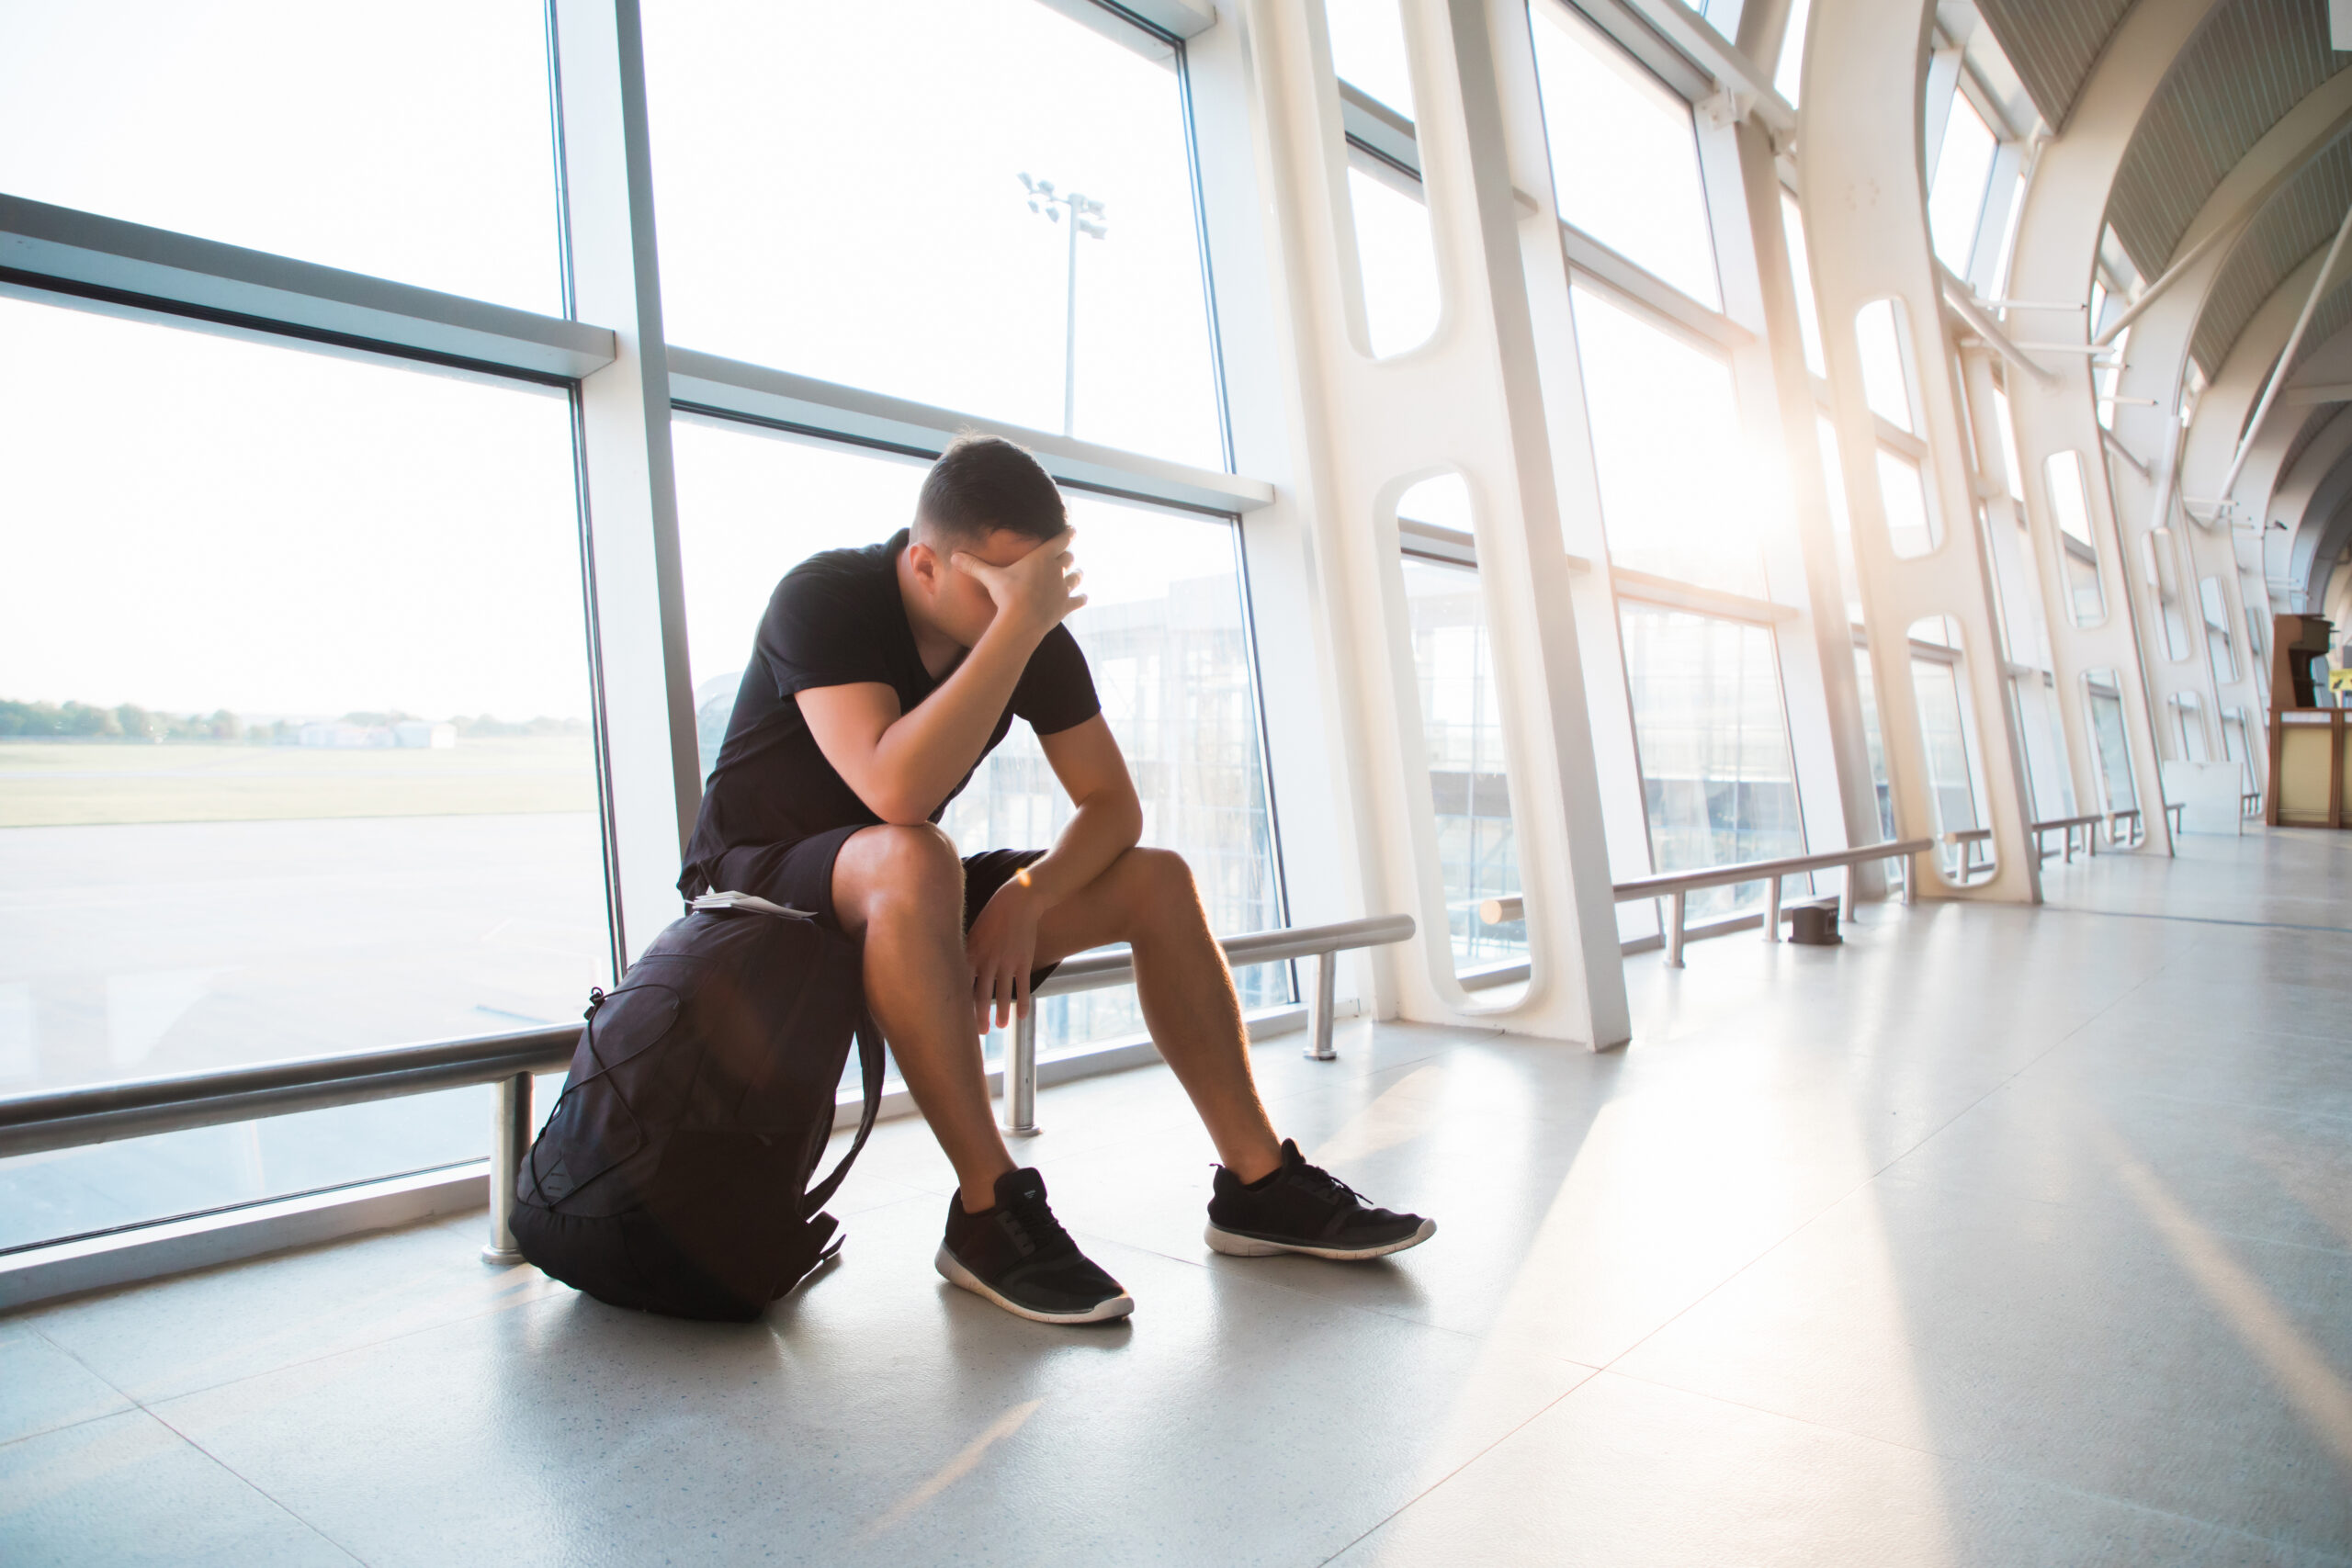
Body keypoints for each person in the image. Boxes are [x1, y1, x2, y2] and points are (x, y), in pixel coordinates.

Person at [679, 434, 1433, 1325]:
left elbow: (1113, 807)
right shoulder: (825, 597)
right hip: (753, 897)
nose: (1027, 608)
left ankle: (1257, 1182)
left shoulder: (1024, 633)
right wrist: (1020, 626)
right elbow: (895, 791)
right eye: (1003, 586)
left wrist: (1028, 897)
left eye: (1041, 584)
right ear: (924, 564)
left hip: (896, 889)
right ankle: (987, 1208)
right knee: (918, 850)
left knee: (1154, 881)